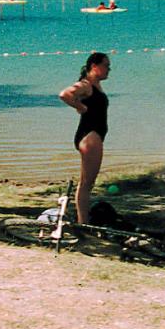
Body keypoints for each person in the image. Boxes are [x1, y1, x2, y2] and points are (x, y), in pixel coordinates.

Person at [60, 52, 110, 224]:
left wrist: (80, 105)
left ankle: (84, 221)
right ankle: (83, 223)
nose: (109, 70)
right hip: (90, 137)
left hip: (92, 136)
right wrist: (80, 106)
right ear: (94, 66)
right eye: (106, 65)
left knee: (87, 183)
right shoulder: (86, 84)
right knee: (86, 184)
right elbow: (65, 94)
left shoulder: (93, 85)